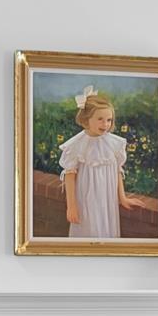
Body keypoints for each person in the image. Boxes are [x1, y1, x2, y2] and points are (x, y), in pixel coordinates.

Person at [58, 88, 132, 238]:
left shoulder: (113, 143)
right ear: (86, 119)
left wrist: (122, 197)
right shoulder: (76, 145)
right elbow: (70, 176)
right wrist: (71, 206)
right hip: (87, 197)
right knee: (89, 228)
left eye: (109, 120)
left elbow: (117, 170)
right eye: (100, 119)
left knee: (107, 230)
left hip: (108, 198)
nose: (105, 124)